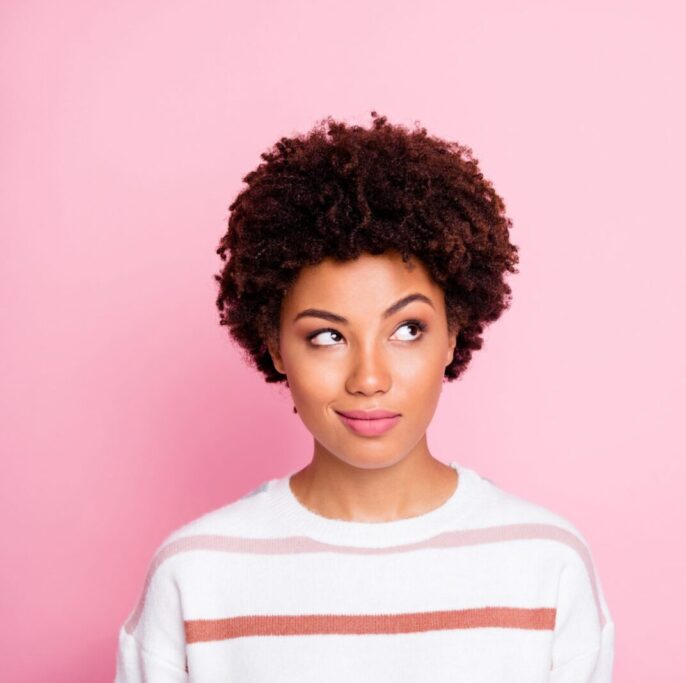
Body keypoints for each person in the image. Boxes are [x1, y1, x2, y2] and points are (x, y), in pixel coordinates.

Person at [114, 112, 615, 682]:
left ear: (453, 333)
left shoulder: (546, 564)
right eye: (327, 336)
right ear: (276, 346)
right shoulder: (196, 576)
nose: (369, 378)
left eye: (407, 330)